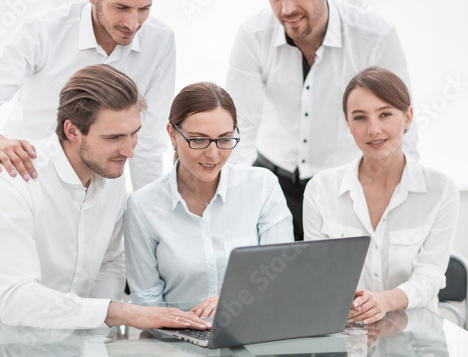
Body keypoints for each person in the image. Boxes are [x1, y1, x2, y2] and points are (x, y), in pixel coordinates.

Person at [0, 65, 210, 349]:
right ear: (72, 131)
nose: (129, 151)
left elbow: (111, 262)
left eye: (134, 133)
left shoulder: (110, 172)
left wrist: (93, 339)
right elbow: (16, 300)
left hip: (68, 344)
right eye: (113, 138)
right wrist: (121, 313)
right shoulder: (10, 183)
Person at [225, 0, 419, 241]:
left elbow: (400, 128)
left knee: (343, 276)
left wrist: (407, 207)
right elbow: (237, 128)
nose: (286, 10)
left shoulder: (375, 36)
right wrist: (229, 205)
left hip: (345, 188)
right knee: (271, 274)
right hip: (275, 184)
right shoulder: (253, 35)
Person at [303, 67, 459, 324]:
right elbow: (318, 273)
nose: (373, 129)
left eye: (385, 114)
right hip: (346, 331)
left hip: (416, 335)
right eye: (360, 118)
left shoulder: (440, 190)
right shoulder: (321, 189)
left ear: (408, 118)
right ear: (348, 124)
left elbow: (430, 275)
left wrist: (385, 301)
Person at [124, 82, 294, 317]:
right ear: (173, 134)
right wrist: (189, 326)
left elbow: (283, 278)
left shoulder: (262, 187)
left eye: (224, 140)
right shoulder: (143, 206)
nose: (213, 154)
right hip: (176, 341)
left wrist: (233, 300)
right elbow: (146, 301)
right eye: (198, 140)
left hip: (253, 335)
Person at [0, 0, 174, 191]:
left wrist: (148, 209)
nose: (132, 23)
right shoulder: (44, 30)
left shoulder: (159, 41)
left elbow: (149, 140)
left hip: (102, 192)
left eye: (144, 9)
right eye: (121, 7)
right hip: (28, 179)